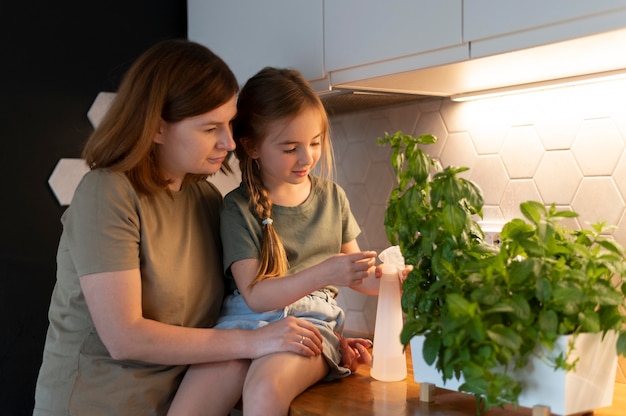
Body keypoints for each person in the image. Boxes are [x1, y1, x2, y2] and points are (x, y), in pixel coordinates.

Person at [33, 40, 329, 416]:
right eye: (210, 128)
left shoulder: (207, 201)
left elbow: (238, 308)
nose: (229, 141)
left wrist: (317, 340)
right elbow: (125, 338)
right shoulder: (106, 193)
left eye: (229, 124)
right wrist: (254, 342)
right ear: (157, 128)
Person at [172, 67, 394, 416]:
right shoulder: (237, 207)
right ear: (252, 147)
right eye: (290, 148)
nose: (307, 158)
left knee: (263, 391)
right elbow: (257, 296)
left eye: (315, 143)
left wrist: (393, 277)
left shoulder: (331, 198)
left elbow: (360, 275)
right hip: (241, 324)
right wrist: (325, 272)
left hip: (312, 325)